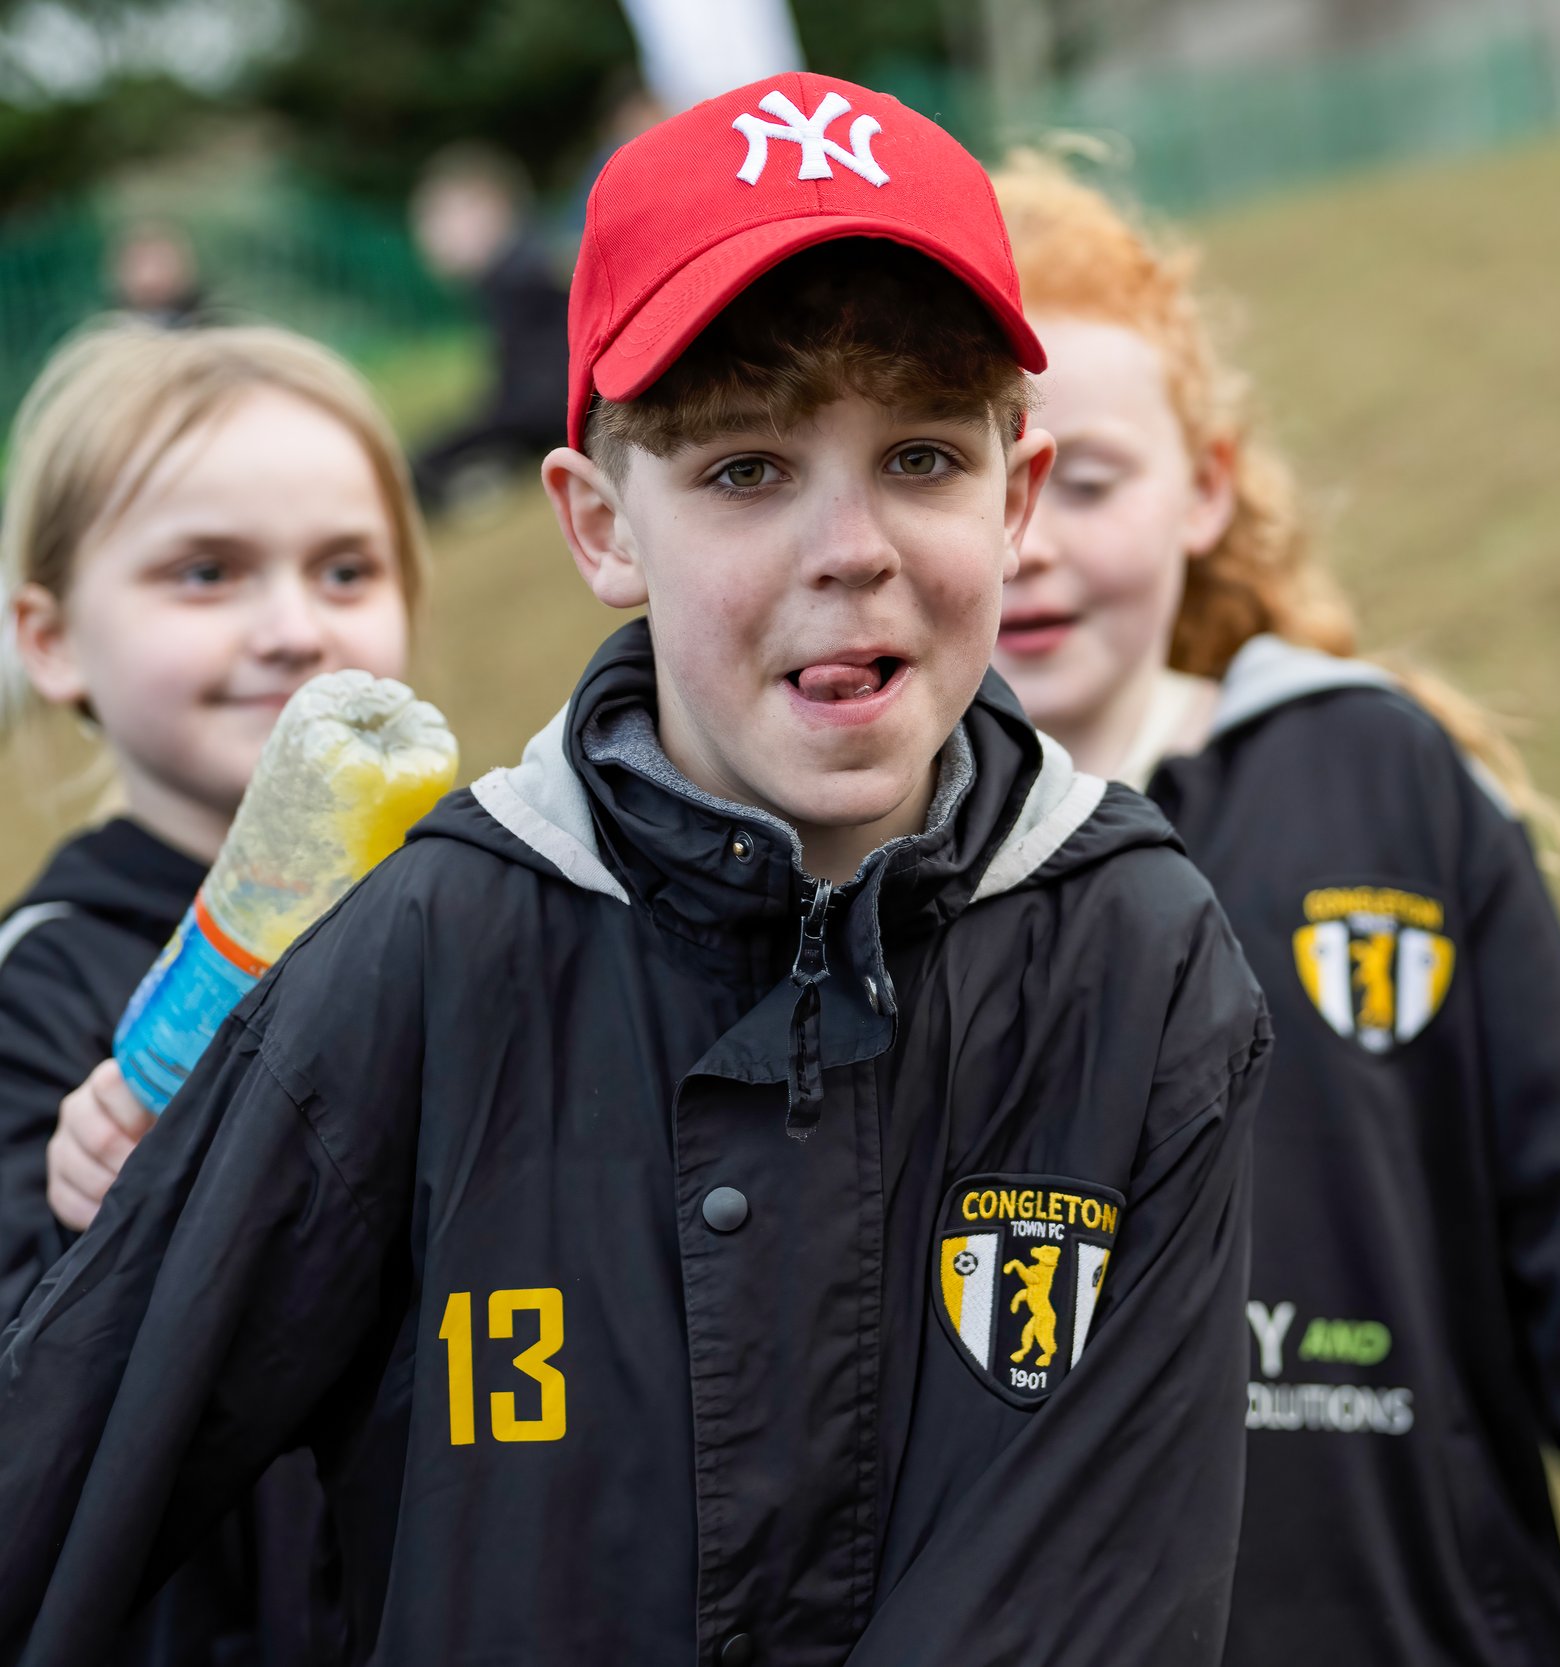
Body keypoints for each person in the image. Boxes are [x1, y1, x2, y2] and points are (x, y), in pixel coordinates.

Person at [0, 74, 1269, 1665]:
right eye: (746, 469)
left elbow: (1104, 1600)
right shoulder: (424, 945)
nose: (852, 546)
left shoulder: (1140, 955)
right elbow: (67, 1487)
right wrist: (124, 1226)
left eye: (922, 456)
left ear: (1018, 497)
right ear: (601, 524)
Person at [989, 156, 1560, 1665]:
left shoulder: (1380, 778)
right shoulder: (864, 878)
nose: (1030, 542)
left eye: (1086, 480)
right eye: (983, 482)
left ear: (1206, 487)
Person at [0, 320, 425, 1662]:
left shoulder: (454, 921)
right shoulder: (41, 981)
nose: (295, 629)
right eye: (207, 573)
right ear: (52, 640)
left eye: (347, 569)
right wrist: (87, 1217)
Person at [407, 144, 571, 509]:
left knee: (418, 469)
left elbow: (538, 399)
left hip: (550, 416)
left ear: (490, 208)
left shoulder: (521, 278)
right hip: (543, 413)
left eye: (439, 217)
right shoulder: (518, 271)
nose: (428, 237)